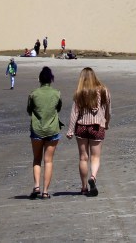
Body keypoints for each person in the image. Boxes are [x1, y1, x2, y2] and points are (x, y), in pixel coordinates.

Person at [66, 67, 111, 197]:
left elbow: (74, 112)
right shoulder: (104, 91)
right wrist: (106, 122)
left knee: (83, 158)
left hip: (81, 127)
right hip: (97, 127)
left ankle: (84, 187)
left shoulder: (79, 92)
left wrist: (70, 130)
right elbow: (108, 110)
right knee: (95, 157)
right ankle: (93, 177)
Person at [27, 66, 62, 199]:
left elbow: (29, 110)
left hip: (37, 129)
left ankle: (36, 186)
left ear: (40, 79)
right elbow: (58, 108)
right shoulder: (56, 93)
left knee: (37, 159)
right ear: (51, 79)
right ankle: (45, 191)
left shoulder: (33, 93)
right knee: (48, 161)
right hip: (52, 129)